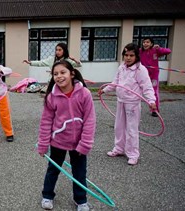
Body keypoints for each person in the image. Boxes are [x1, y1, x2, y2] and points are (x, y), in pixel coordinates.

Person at [36, 60, 95, 211]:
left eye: (63, 72)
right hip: (58, 142)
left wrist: (85, 143)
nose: (59, 76)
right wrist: (43, 144)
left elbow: (90, 120)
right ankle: (47, 195)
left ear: (72, 74)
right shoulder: (52, 97)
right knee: (53, 170)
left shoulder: (84, 94)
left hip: (79, 143)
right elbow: (46, 122)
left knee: (79, 173)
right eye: (55, 74)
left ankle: (81, 200)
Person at [99, 43, 156, 166]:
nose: (128, 58)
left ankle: (133, 154)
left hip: (133, 104)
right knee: (118, 127)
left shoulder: (140, 70)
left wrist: (151, 101)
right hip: (121, 101)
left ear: (136, 56)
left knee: (131, 129)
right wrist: (104, 90)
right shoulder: (121, 68)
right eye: (126, 55)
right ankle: (119, 149)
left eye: (131, 55)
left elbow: (147, 87)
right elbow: (116, 83)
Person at [139, 37, 172, 117]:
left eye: (147, 42)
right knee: (138, 90)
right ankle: (134, 108)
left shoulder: (155, 50)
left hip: (154, 74)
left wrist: (159, 48)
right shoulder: (140, 51)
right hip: (143, 74)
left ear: (151, 44)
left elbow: (168, 51)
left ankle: (154, 109)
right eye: (144, 42)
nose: (145, 44)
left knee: (154, 91)